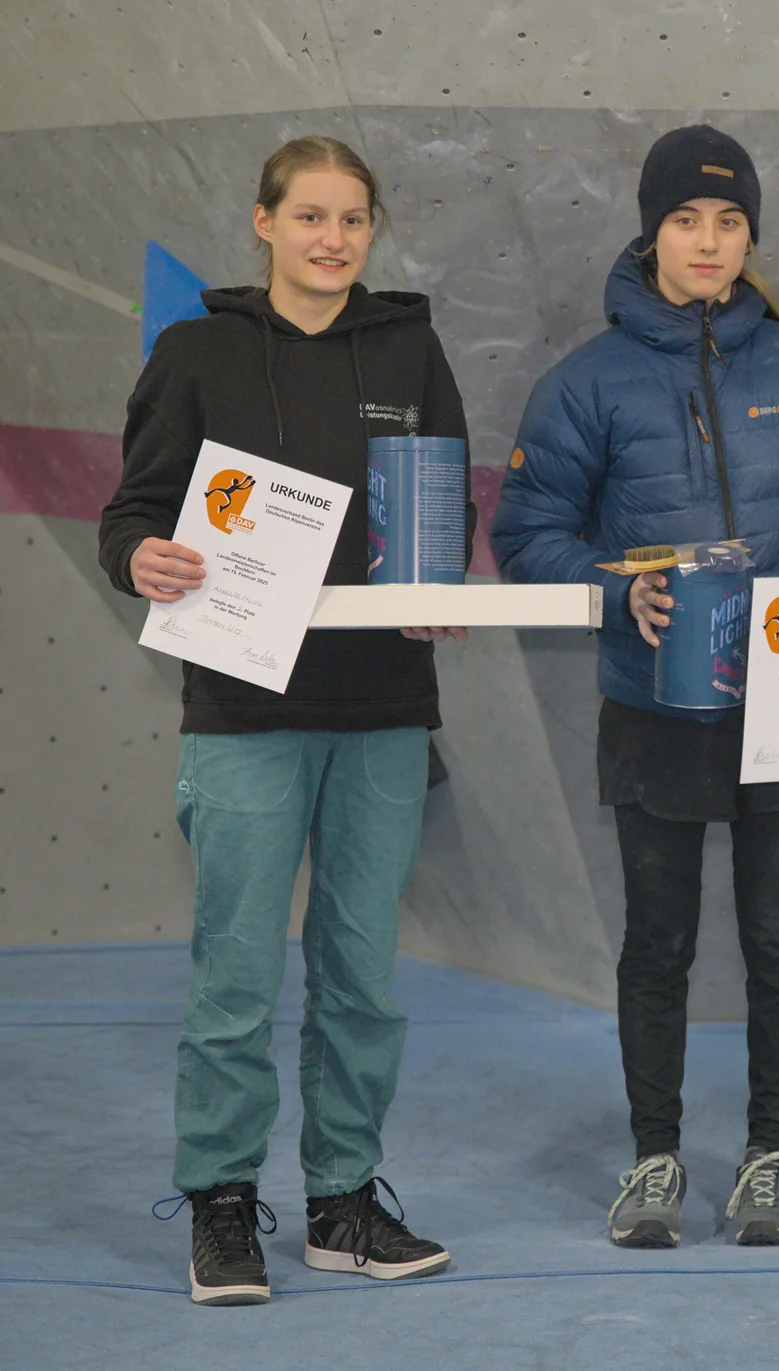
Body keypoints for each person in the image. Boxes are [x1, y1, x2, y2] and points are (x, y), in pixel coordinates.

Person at [491, 124, 779, 1250]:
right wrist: (619, 597)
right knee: (658, 941)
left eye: (728, 222)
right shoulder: (590, 379)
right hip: (655, 703)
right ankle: (654, 1160)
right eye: (685, 220)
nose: (708, 242)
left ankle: (772, 1160)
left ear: (750, 236)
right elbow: (527, 532)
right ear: (651, 231)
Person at [98, 136, 470, 1305]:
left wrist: (439, 593)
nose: (332, 239)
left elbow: (442, 508)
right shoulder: (197, 350)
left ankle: (343, 1202)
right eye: (309, 216)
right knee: (237, 980)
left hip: (382, 716)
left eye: (353, 219)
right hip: (243, 712)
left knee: (363, 978)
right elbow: (136, 513)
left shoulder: (410, 348)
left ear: (372, 230)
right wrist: (139, 558)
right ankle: (220, 1207)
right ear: (263, 223)